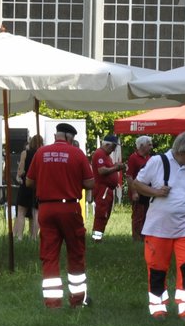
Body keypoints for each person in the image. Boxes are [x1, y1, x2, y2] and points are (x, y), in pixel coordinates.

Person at [131, 131, 185, 319]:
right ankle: (158, 307)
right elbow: (137, 183)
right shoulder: (157, 161)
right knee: (157, 269)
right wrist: (156, 192)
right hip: (158, 229)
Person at [27, 121, 95, 307]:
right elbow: (89, 183)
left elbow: (29, 182)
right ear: (70, 137)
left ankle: (52, 303)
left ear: (57, 135)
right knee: (76, 253)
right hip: (70, 208)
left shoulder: (41, 152)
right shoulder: (77, 153)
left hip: (46, 209)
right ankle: (77, 300)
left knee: (49, 255)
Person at [89, 134, 123, 241]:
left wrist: (115, 166)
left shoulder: (105, 155)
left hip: (107, 189)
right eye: (113, 147)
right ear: (107, 145)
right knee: (101, 213)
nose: (113, 150)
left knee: (105, 213)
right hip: (102, 189)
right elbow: (102, 171)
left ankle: (99, 236)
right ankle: (97, 238)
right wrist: (116, 168)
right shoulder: (100, 154)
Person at [12, 134, 43, 242]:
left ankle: (19, 237)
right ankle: (34, 237)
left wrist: (21, 174)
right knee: (36, 213)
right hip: (38, 186)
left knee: (21, 213)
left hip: (26, 185)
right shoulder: (43, 154)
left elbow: (20, 171)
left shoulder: (25, 153)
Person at [126, 135, 154, 239]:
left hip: (147, 191)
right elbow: (129, 177)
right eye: (149, 145)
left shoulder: (149, 158)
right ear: (142, 146)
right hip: (138, 192)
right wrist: (134, 192)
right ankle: (136, 237)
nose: (151, 147)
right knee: (138, 215)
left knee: (147, 215)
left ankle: (144, 236)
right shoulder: (133, 158)